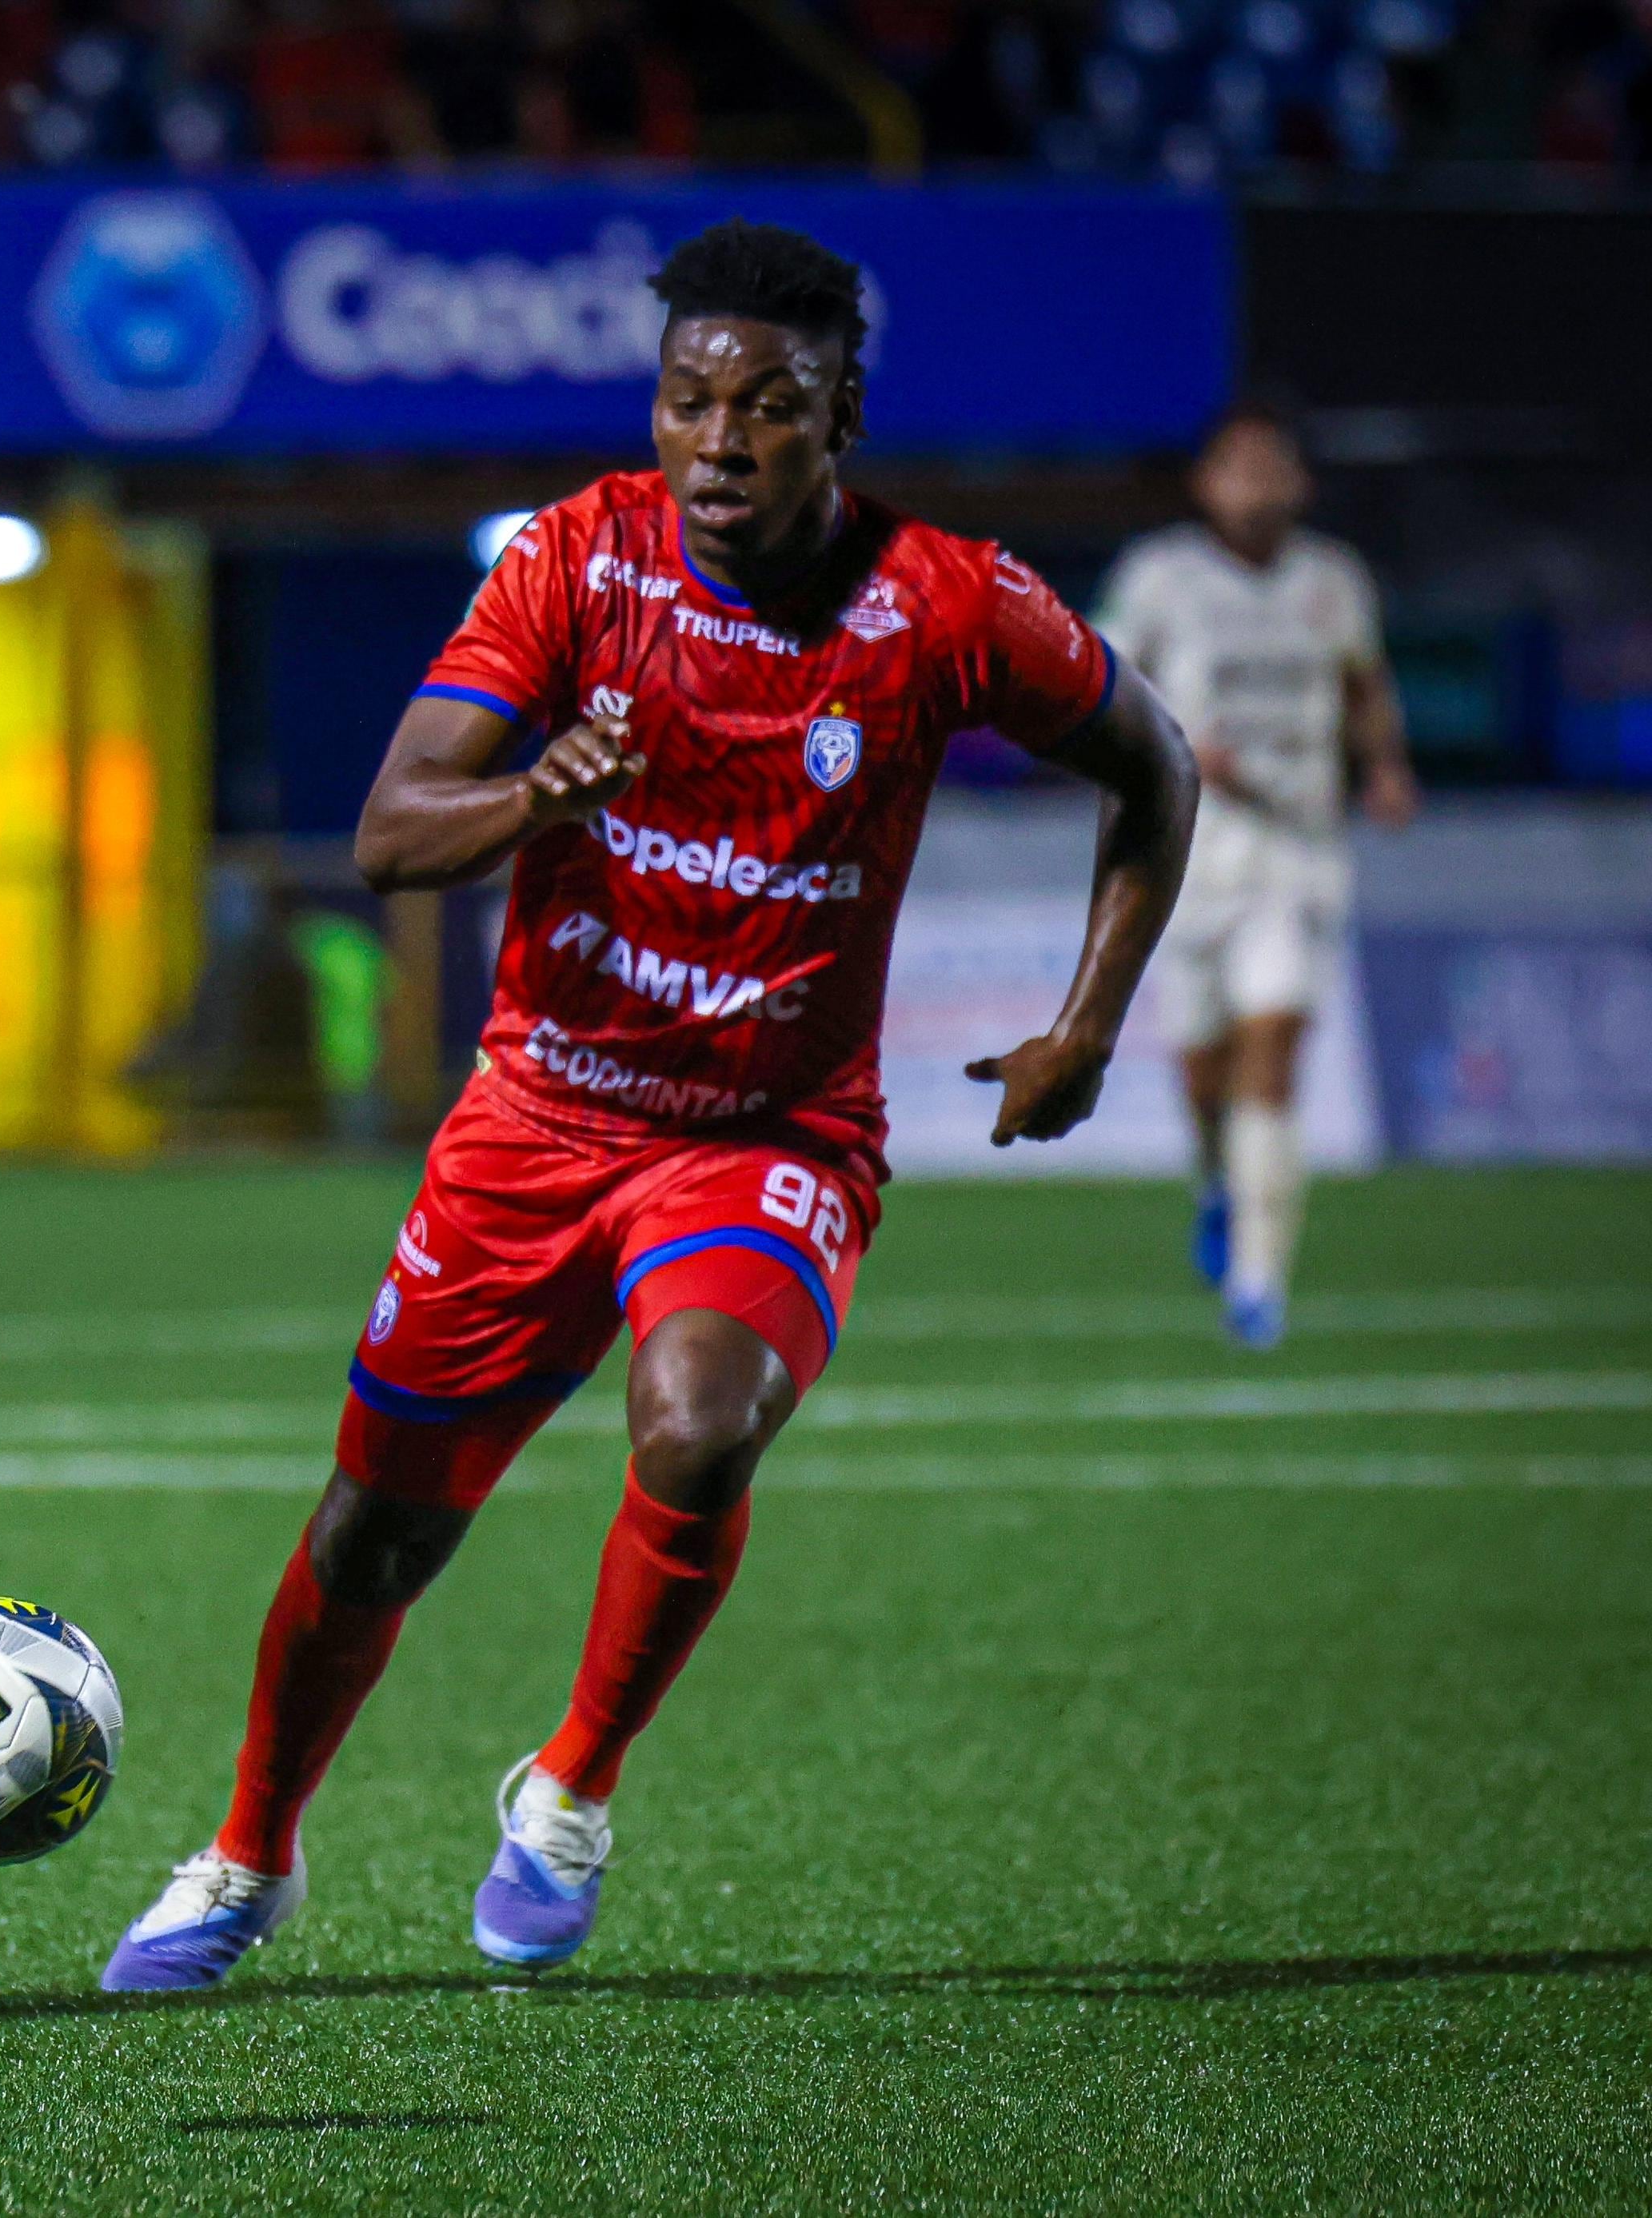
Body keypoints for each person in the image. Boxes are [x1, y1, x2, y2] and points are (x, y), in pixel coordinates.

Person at [99, 219, 1198, 1992]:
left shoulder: (946, 604)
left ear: (841, 415)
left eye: (764, 407)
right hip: (534, 1121)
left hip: (765, 1137)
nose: (716, 439)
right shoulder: (573, 562)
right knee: (374, 1527)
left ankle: (568, 1791)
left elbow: (1155, 764)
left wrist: (1084, 1024)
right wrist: (536, 795)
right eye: (687, 399)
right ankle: (248, 1852)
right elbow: (390, 835)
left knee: (698, 1421)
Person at [1095, 405, 1417, 1348]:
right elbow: (1103, 680)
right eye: (1237, 466)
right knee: (1202, 1066)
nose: (1255, 482)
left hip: (1297, 849)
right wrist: (1175, 742)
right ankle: (1217, 1183)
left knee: (1272, 1043)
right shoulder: (1160, 576)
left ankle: (1256, 1281)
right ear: (1205, 482)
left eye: (1271, 466)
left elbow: (1362, 685)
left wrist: (1386, 763)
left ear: (1298, 483)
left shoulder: (1331, 579)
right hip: (1188, 851)